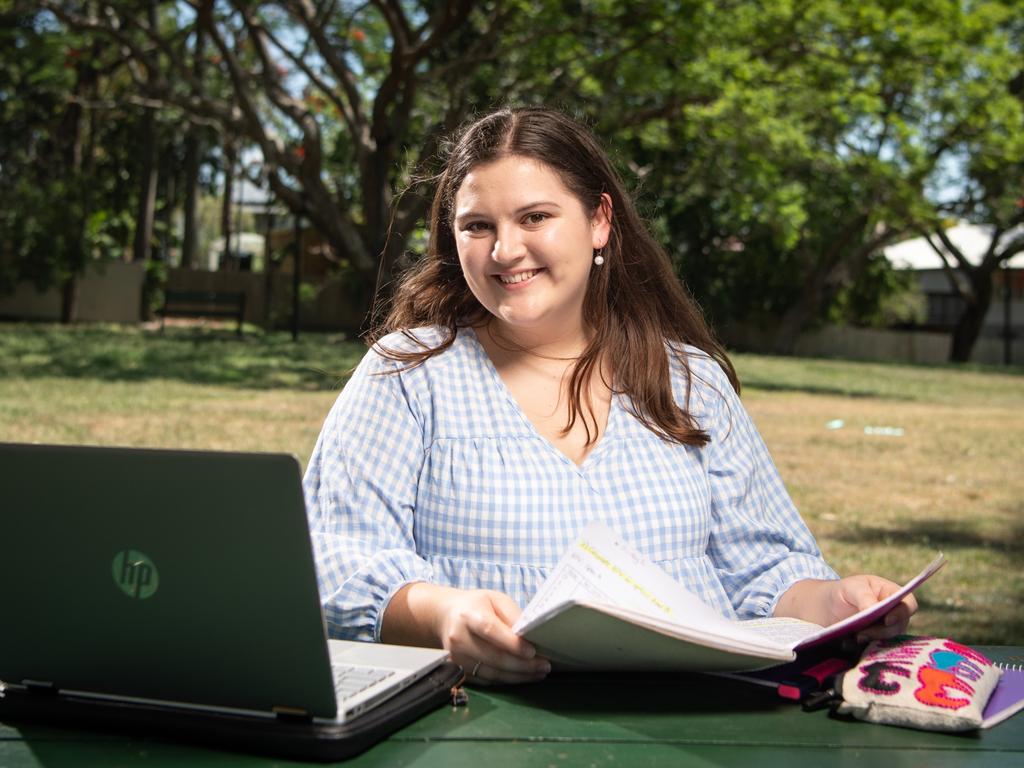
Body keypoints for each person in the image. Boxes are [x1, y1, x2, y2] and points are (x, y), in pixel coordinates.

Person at [303, 106, 917, 686]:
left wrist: (836, 602)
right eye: (477, 226)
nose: (504, 250)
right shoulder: (407, 374)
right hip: (480, 725)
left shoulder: (690, 381)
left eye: (534, 217)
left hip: (692, 718)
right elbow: (331, 560)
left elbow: (761, 568)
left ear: (599, 221)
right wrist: (438, 615)